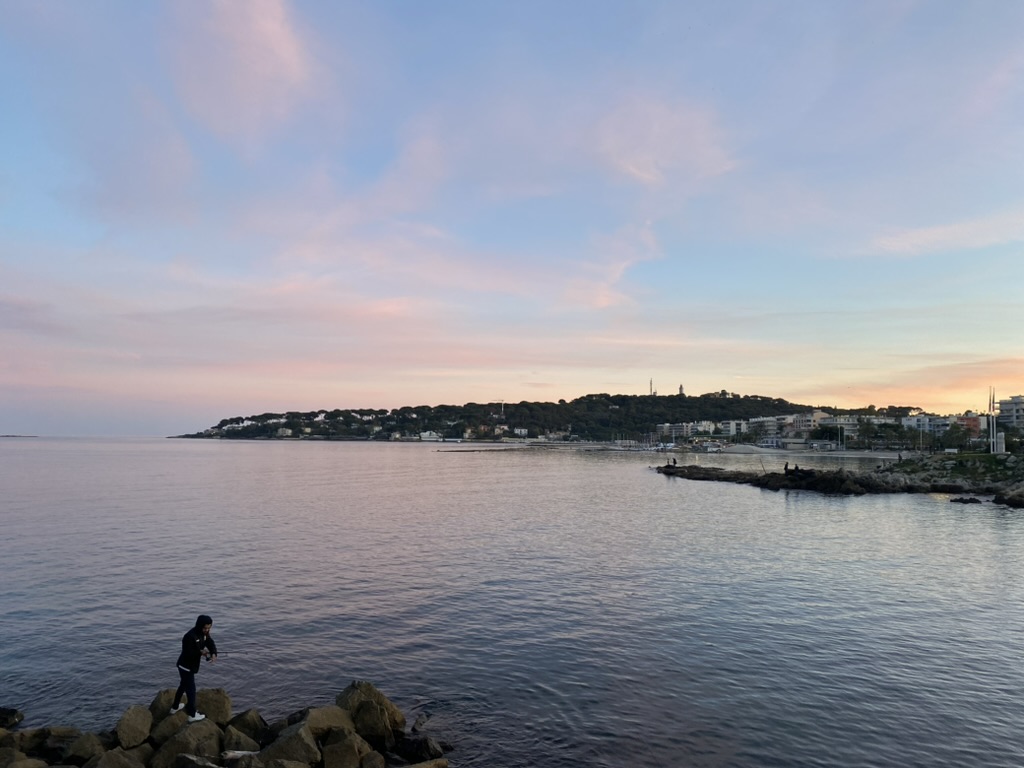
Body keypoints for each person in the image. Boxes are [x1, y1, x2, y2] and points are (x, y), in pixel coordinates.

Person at [170, 614, 218, 722]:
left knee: (183, 686)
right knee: (191, 690)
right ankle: (192, 715)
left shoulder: (204, 634)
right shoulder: (189, 636)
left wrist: (213, 653)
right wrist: (200, 653)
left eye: (209, 628)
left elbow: (210, 642)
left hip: (190, 666)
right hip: (185, 666)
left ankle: (175, 707)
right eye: (205, 628)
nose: (207, 630)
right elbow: (188, 653)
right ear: (199, 625)